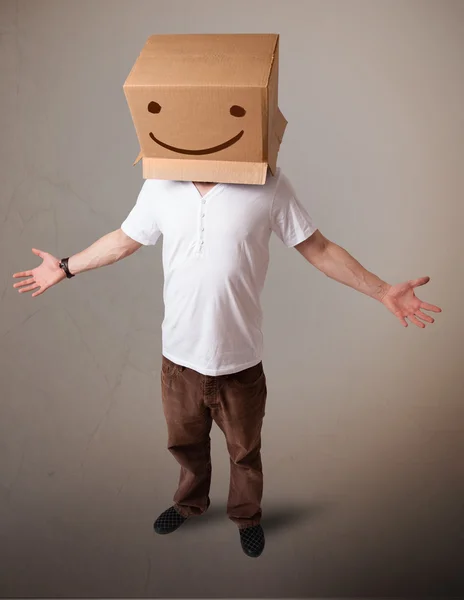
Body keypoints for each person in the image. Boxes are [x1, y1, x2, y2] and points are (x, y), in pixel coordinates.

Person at [12, 168, 442, 558]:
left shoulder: (268, 184)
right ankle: (189, 503)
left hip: (240, 363)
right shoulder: (161, 185)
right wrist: (66, 267)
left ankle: (246, 516)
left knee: (244, 453)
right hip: (178, 361)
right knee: (185, 445)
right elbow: (124, 240)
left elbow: (319, 248)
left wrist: (382, 290)